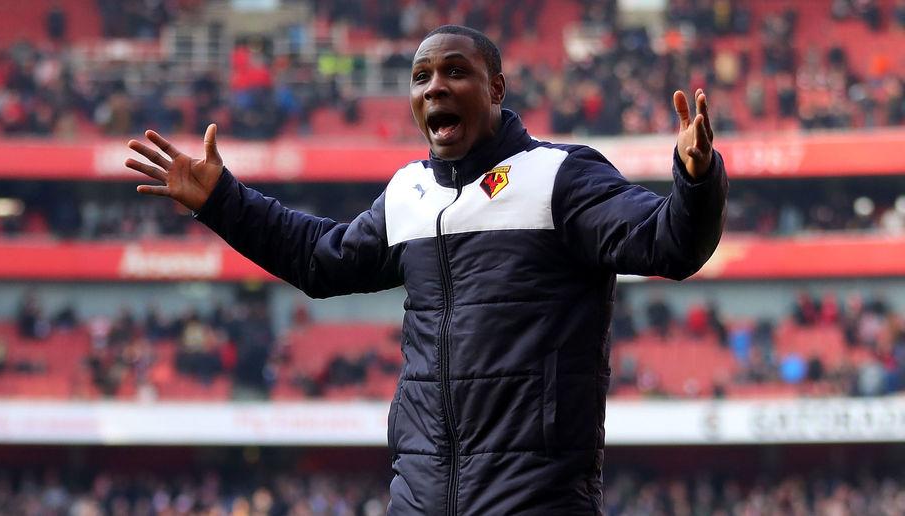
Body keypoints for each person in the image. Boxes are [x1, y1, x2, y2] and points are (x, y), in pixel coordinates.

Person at [126, 24, 727, 516]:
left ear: (496, 89)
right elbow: (319, 261)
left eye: (454, 72)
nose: (434, 87)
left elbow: (669, 245)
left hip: (534, 498)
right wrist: (223, 202)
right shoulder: (408, 192)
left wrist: (696, 178)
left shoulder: (560, 176)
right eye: (421, 77)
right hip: (419, 495)